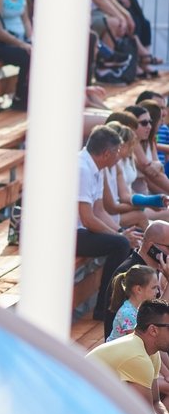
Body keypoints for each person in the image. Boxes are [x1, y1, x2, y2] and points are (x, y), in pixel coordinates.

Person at [76, 126, 135, 321]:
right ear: (106, 153)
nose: (119, 157)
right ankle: (105, 308)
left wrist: (120, 230)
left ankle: (115, 304)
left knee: (126, 240)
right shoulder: (82, 168)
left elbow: (99, 210)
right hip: (66, 233)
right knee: (120, 244)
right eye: (117, 152)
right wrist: (119, 236)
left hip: (81, 230)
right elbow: (88, 218)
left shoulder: (96, 166)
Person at [87, 299, 169, 414]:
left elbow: (155, 402)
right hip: (80, 409)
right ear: (153, 330)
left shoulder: (151, 353)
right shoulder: (138, 358)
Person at [106, 265, 159, 341]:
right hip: (117, 352)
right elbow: (139, 342)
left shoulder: (141, 307)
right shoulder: (128, 314)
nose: (157, 291)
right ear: (138, 289)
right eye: (154, 287)